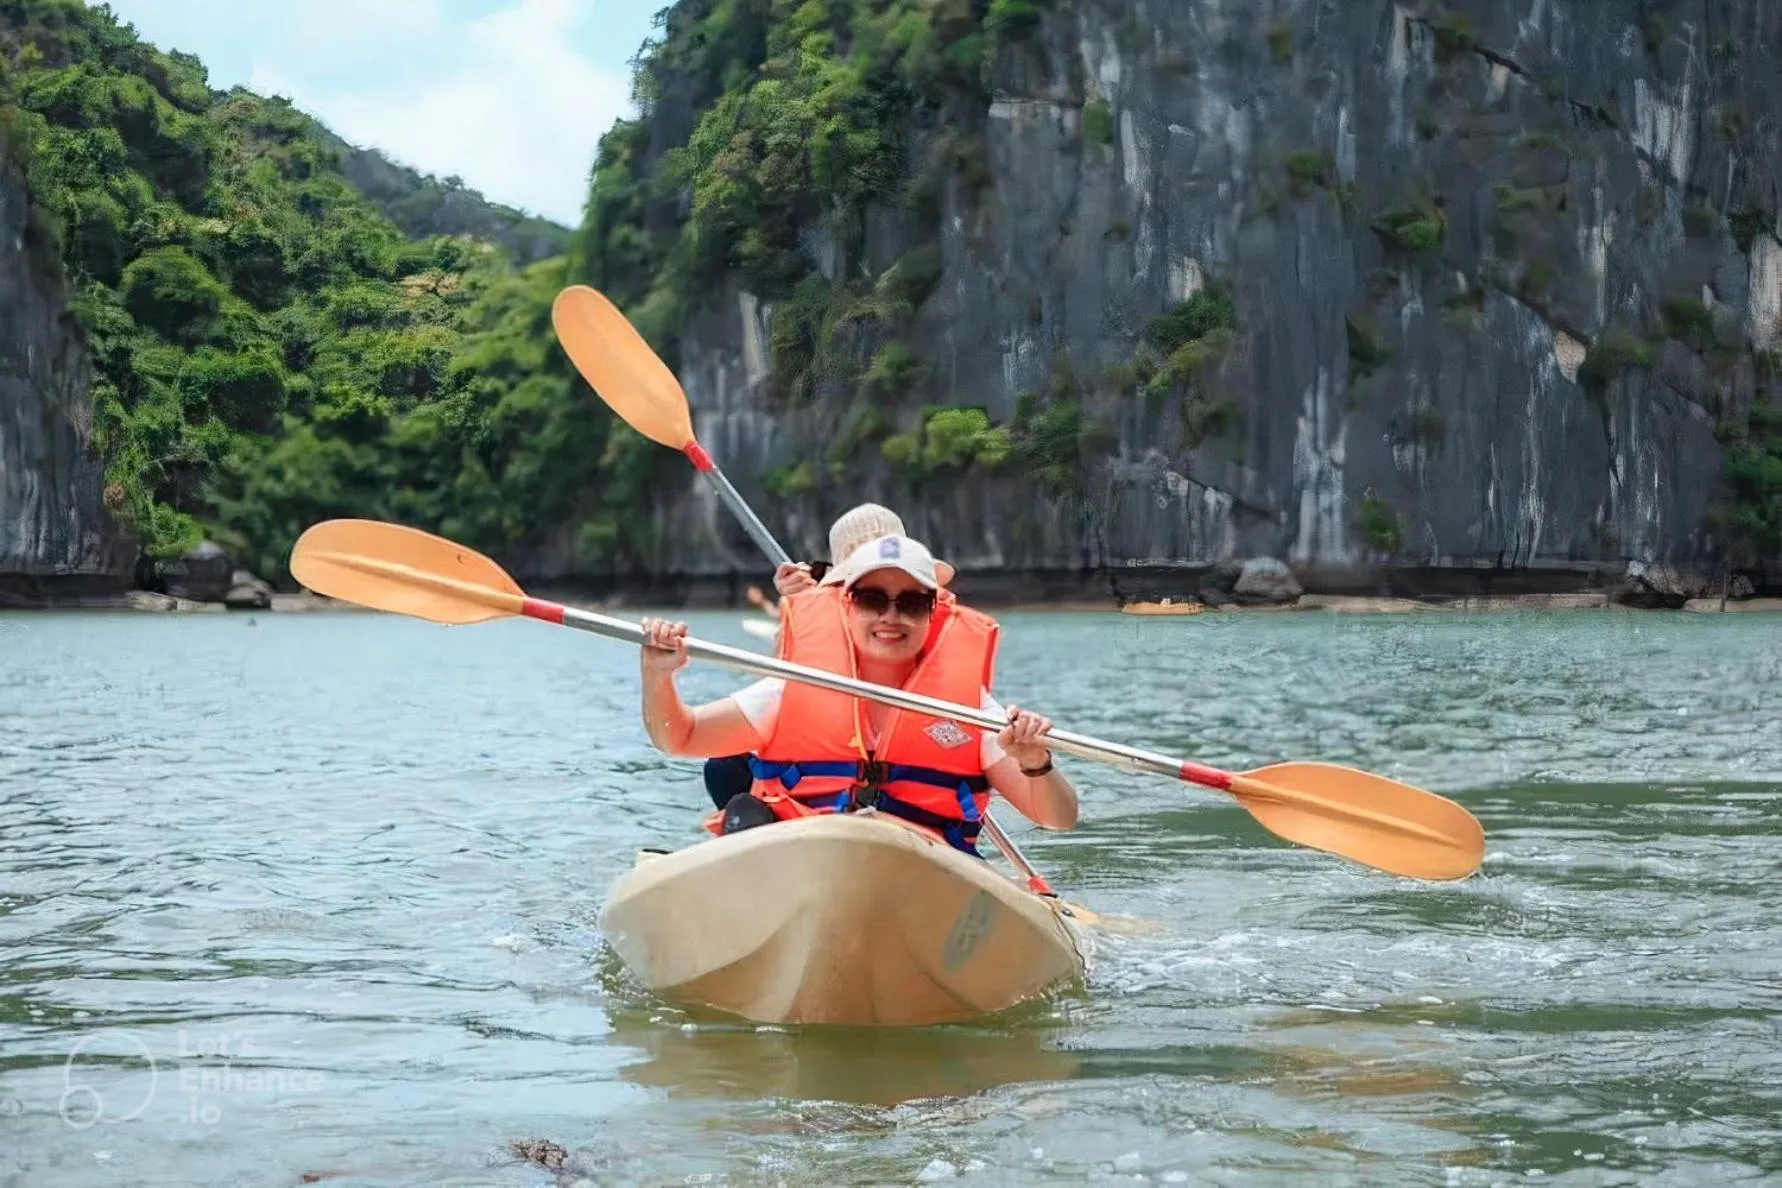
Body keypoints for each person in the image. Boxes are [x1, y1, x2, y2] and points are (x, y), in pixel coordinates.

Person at [642, 531, 1079, 857]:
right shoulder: (788, 690)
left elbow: (1058, 818)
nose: (892, 616)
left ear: (931, 612)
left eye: (911, 603)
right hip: (807, 859)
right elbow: (678, 737)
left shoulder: (972, 710)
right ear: (846, 605)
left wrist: (1035, 763)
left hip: (920, 872)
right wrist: (659, 678)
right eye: (873, 599)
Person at [699, 503, 911, 810]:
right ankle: (760, 836)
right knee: (725, 767)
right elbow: (780, 695)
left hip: (889, 773)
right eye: (867, 588)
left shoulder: (924, 615)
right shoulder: (816, 614)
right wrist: (796, 611)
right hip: (829, 764)